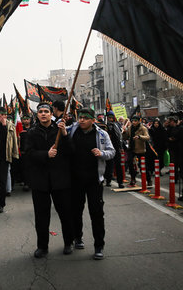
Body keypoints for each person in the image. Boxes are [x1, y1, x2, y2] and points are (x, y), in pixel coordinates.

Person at [23, 103, 74, 258]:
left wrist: (65, 134)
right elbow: (28, 154)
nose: (43, 114)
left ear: (52, 114)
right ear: (37, 115)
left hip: (60, 180)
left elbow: (71, 151)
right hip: (40, 181)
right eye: (40, 112)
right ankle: (42, 246)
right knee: (41, 216)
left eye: (46, 111)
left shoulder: (59, 130)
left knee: (65, 213)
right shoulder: (31, 133)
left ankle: (68, 242)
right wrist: (46, 154)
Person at [68, 108, 115, 260]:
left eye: (85, 118)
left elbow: (111, 151)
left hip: (94, 180)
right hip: (75, 180)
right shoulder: (71, 130)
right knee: (76, 211)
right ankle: (77, 237)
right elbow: (58, 131)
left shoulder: (102, 134)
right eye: (80, 117)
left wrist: (101, 154)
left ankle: (99, 245)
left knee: (96, 213)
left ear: (93, 120)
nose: (82, 120)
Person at [122, 116, 151, 187]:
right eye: (133, 121)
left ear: (139, 121)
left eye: (135, 121)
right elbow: (125, 137)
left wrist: (139, 137)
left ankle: (148, 180)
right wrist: (124, 132)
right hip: (131, 148)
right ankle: (133, 179)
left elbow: (147, 137)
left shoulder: (143, 128)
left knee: (143, 166)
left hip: (140, 149)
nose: (134, 122)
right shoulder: (130, 128)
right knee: (129, 162)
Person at [104, 111, 124, 188]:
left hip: (116, 147)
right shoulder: (104, 126)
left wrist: (121, 147)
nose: (110, 119)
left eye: (111, 118)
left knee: (118, 165)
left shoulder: (116, 126)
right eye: (109, 118)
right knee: (108, 165)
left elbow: (120, 137)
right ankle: (108, 180)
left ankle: (120, 182)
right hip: (108, 148)